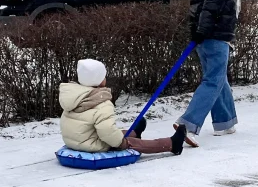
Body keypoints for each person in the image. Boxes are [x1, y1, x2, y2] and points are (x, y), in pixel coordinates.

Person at [175, 0, 240, 142]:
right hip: (215, 35)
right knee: (213, 80)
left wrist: (198, 32)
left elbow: (199, 8)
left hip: (204, 37)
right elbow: (211, 8)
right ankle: (188, 124)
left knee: (219, 78)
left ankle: (225, 122)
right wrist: (203, 31)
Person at [60, 58, 188, 156]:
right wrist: (120, 143)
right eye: (103, 76)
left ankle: (134, 132)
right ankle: (171, 144)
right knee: (128, 142)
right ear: (99, 80)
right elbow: (107, 130)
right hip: (92, 145)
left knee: (112, 132)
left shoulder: (75, 95)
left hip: (75, 140)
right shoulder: (101, 102)